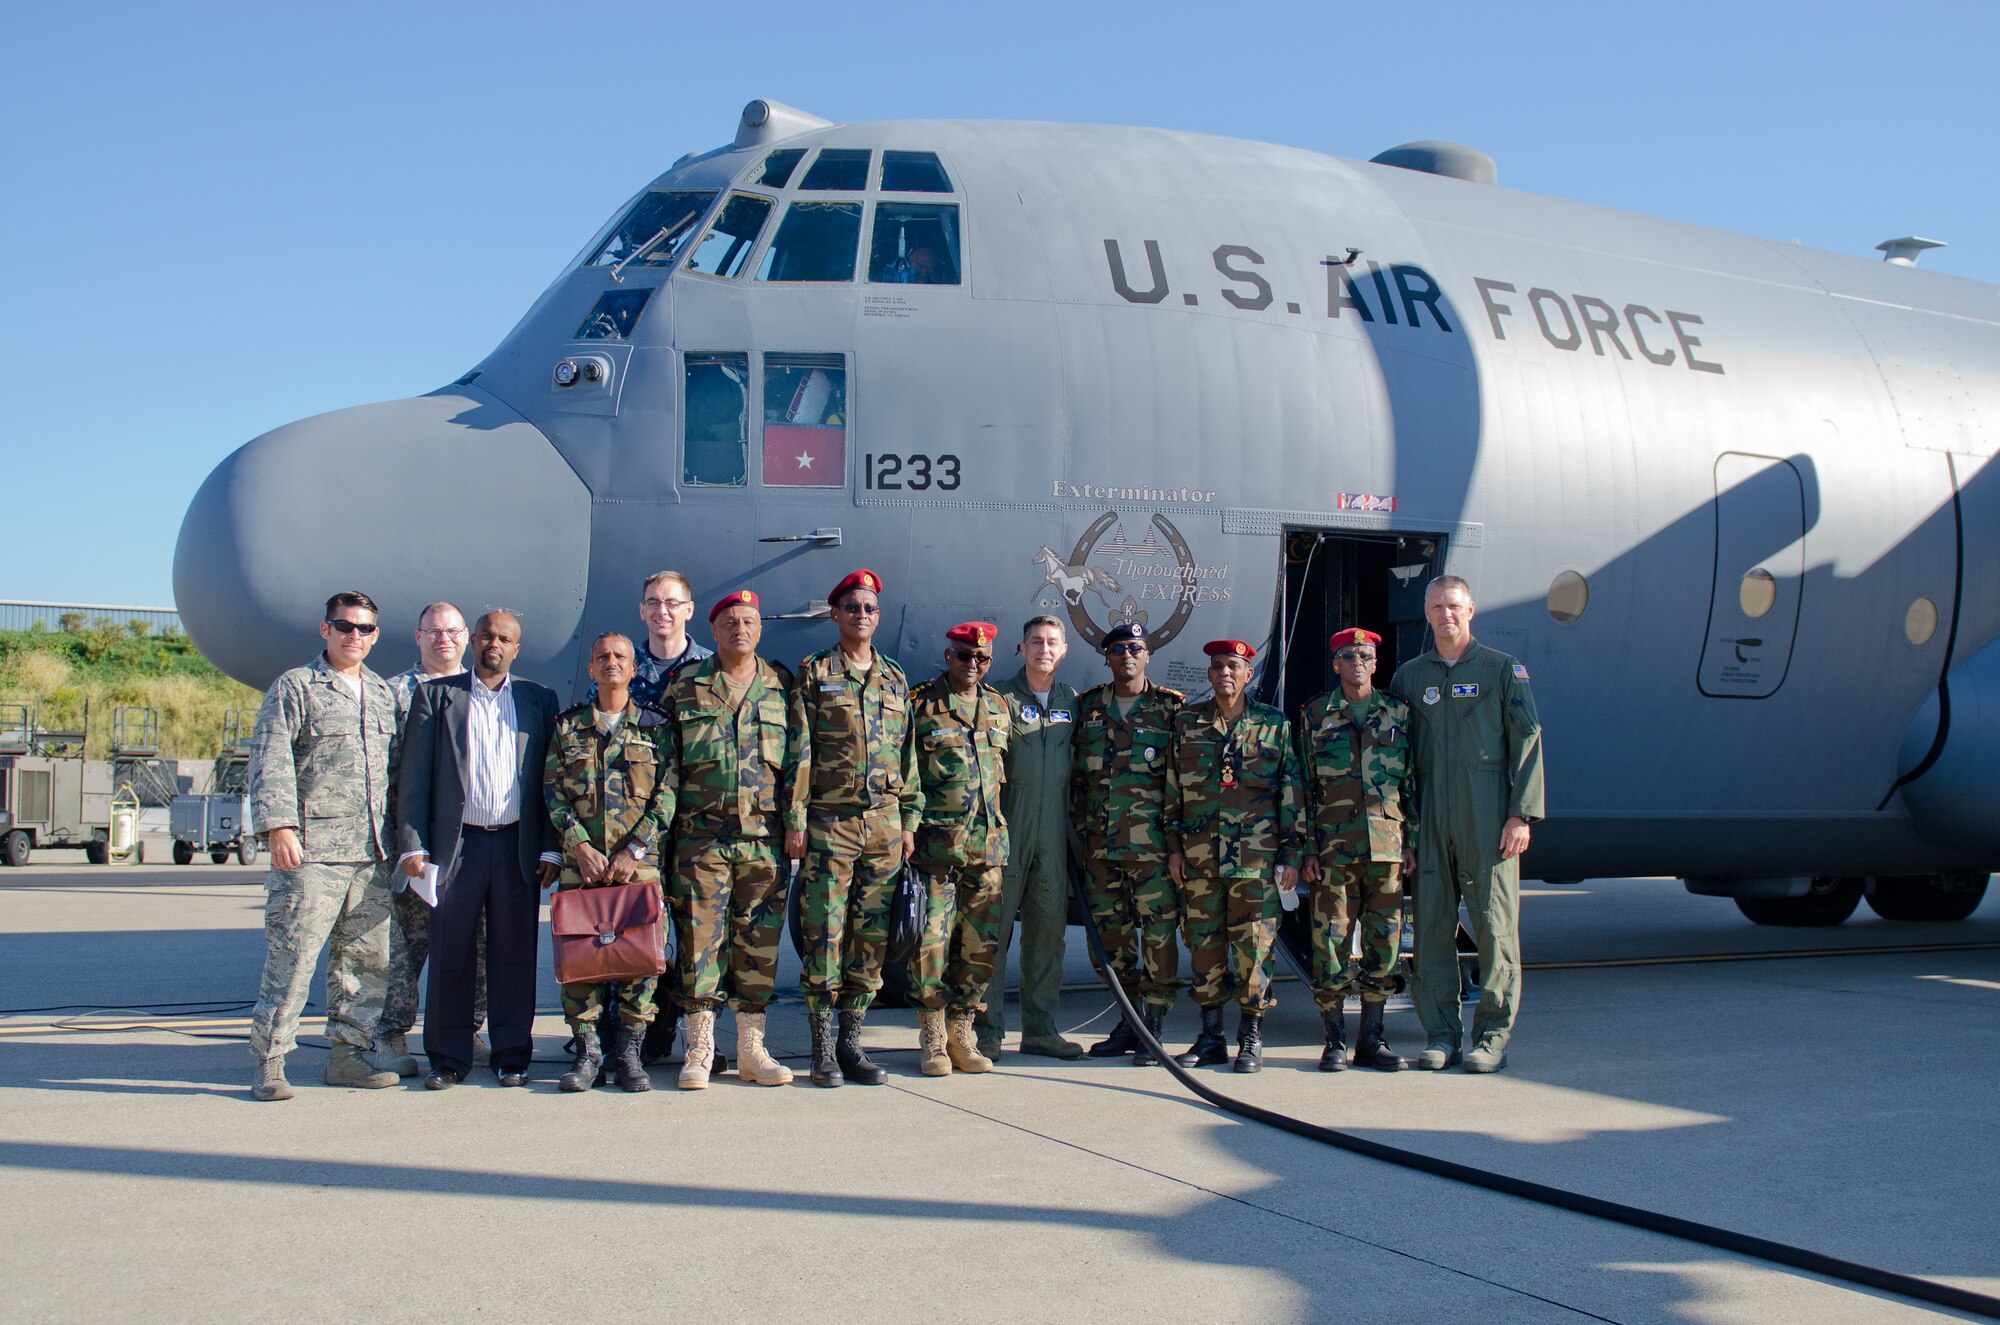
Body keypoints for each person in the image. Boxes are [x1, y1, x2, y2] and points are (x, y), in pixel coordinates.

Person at [245, 591, 402, 1100]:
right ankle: (270, 1060)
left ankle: (349, 1055)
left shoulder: (381, 694)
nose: (354, 635)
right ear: (325, 629)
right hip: (312, 850)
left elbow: (392, 773)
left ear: (375, 635)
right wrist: (278, 827)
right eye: (344, 626)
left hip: (372, 851)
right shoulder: (296, 687)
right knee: (293, 957)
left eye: (364, 628)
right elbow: (270, 759)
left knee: (364, 961)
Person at [397, 610, 561, 1089]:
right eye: (487, 635)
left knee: (514, 953)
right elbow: (413, 781)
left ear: (516, 647)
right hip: (457, 847)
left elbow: (549, 784)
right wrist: (413, 844)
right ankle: (448, 1058)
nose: (494, 644)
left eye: (504, 638)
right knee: (452, 951)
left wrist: (550, 849)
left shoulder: (537, 699)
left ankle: (512, 1053)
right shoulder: (436, 696)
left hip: (516, 845)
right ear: (472, 641)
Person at [1388, 576, 1545, 1074]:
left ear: (1470, 609)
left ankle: (1492, 1037)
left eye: (1453, 606)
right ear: (1427, 614)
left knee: (1495, 928)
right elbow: (1397, 759)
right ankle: (1440, 1034)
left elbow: (1528, 738)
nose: (1445, 615)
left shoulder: (1502, 670)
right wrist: (1404, 832)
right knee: (1432, 930)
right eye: (1436, 607)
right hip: (1430, 816)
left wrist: (1521, 813)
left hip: (1488, 815)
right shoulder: (1409, 677)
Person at [783, 569, 919, 1088]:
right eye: (852, 607)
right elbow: (801, 751)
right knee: (823, 933)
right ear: (836, 615)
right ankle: (820, 1050)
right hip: (829, 824)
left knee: (871, 939)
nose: (862, 615)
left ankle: (851, 1043)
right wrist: (796, 819)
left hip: (884, 828)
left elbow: (906, 758)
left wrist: (908, 819)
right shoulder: (816, 673)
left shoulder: (895, 678)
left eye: (870, 608)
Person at [657, 590, 796, 1090]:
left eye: (750, 621)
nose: (740, 628)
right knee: (699, 946)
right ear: (713, 631)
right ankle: (698, 1048)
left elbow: (799, 761)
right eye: (730, 621)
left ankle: (752, 1050)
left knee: (758, 946)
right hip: (701, 841)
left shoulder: (781, 684)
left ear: (760, 629)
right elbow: (665, 766)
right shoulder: (686, 685)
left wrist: (795, 823)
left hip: (765, 841)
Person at [1166, 640, 1303, 1074]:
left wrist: (1292, 853)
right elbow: (1172, 790)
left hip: (1255, 862)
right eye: (1218, 666)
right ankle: (1210, 1038)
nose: (1225, 672)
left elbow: (1290, 792)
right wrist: (1173, 849)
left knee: (1254, 950)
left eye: (1234, 666)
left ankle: (1250, 1038)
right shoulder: (1187, 722)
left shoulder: (1273, 724)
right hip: (1200, 858)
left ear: (1249, 674)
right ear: (1209, 674)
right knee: (1204, 948)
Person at [545, 633, 671, 1094]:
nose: (611, 663)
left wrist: (633, 849)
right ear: (592, 669)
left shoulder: (656, 727)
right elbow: (553, 791)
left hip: (637, 867)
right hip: (584, 867)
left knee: (639, 962)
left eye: (620, 656)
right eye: (602, 658)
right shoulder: (568, 727)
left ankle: (629, 1054)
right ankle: (588, 1053)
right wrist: (577, 844)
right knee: (582, 962)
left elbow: (667, 794)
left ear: (634, 668)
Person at [609, 571, 713, 1068]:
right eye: (653, 602)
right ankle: (631, 1034)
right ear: (642, 609)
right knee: (633, 932)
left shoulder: (712, 670)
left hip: (697, 825)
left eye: (672, 602)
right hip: (637, 827)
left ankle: (691, 1034)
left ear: (689, 609)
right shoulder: (625, 666)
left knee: (695, 936)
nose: (663, 611)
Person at [375, 600, 481, 1078]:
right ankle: (390, 1033)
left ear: (467, 637)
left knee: (471, 944)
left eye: (453, 631)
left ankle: (467, 1029)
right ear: (418, 637)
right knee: (405, 946)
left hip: (466, 843)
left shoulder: (480, 690)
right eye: (433, 631)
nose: (444, 639)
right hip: (414, 845)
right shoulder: (394, 693)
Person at [1299, 628, 1413, 1072]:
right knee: (1330, 943)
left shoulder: (1398, 713)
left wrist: (1413, 842)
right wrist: (1307, 848)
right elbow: (1303, 787)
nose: (1358, 662)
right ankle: (1335, 1040)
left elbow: (1412, 783)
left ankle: (1372, 1039)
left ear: (1376, 662)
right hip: (1333, 850)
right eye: (1348, 655)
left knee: (1384, 943)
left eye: (1366, 655)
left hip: (1388, 848)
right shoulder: (1314, 714)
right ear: (1335, 664)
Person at [1070, 621, 1183, 1064]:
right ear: (1107, 657)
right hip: (1100, 851)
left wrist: (1178, 846)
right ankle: (1129, 1020)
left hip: (1154, 852)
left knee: (1158, 940)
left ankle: (1152, 1028)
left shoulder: (1171, 709)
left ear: (1148, 655)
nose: (1127, 656)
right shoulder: (1088, 708)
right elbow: (1077, 782)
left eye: (1135, 648)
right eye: (1118, 649)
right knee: (1109, 945)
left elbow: (1181, 783)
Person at [906, 622, 1012, 1076]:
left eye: (982, 658)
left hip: (988, 850)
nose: (973, 665)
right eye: (965, 656)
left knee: (980, 946)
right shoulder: (921, 704)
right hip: (936, 851)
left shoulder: (998, 707)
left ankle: (962, 1029)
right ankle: (932, 1034)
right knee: (930, 944)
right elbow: (905, 774)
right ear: (949, 656)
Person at [977, 615, 1083, 1061]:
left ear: (1063, 651)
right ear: (1021, 648)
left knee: (1047, 933)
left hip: (1053, 832)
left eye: (1052, 642)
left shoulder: (1072, 702)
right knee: (992, 934)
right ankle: (986, 1032)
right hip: (1008, 828)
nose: (1044, 648)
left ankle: (1040, 1029)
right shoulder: (998, 698)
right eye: (1035, 641)